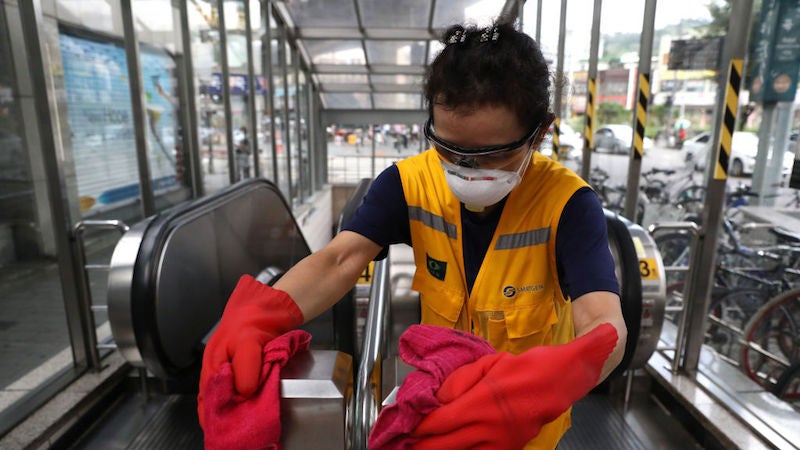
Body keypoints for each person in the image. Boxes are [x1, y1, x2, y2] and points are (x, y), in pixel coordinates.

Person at [199, 19, 626, 449]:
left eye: (493, 154)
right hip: (434, 417)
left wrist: (537, 392)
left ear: (541, 133)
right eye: (449, 149)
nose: (467, 169)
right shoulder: (408, 184)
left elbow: (602, 322)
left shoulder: (567, 205)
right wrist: (267, 312)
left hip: (522, 433)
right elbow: (340, 259)